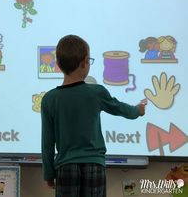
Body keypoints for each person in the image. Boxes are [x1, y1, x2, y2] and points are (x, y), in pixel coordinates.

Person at [41, 34, 147, 197]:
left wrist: (48, 174)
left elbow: (47, 142)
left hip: (65, 168)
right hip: (94, 165)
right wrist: (138, 110)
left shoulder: (49, 99)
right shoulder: (96, 92)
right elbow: (121, 109)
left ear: (58, 65)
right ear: (84, 62)